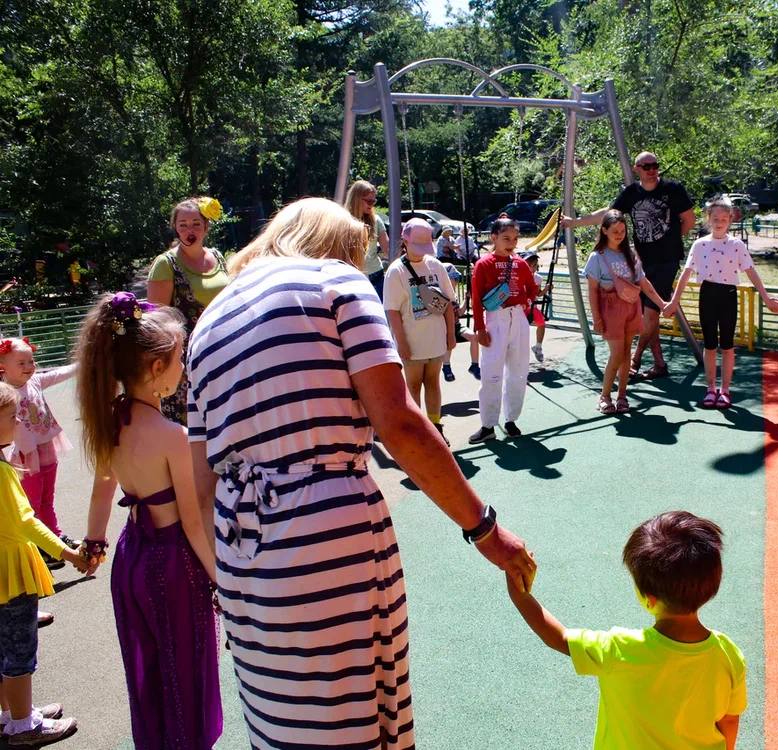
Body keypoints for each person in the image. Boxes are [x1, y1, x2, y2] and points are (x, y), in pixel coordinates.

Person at [187, 197, 535, 748]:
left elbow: (200, 480)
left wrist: (224, 578)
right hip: (327, 535)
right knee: (355, 711)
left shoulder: (208, 322)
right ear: (340, 246)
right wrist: (483, 527)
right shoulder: (336, 285)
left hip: (240, 554)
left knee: (281, 722)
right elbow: (397, 421)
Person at [74, 293, 220, 750]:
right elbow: (193, 525)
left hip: (129, 558)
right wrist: (221, 582)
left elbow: (102, 491)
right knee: (186, 672)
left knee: (149, 669)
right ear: (156, 370)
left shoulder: (109, 423)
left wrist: (93, 544)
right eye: (179, 359)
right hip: (173, 566)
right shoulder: (172, 437)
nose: (183, 368)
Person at [507, 510, 746, 750]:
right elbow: (730, 719)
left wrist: (519, 593)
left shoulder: (619, 648)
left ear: (649, 599)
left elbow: (558, 636)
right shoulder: (728, 654)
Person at [562, 152, 695, 380]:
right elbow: (609, 214)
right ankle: (660, 364)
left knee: (650, 315)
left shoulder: (673, 189)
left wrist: (671, 241)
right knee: (646, 314)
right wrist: (576, 223)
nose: (651, 170)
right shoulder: (632, 193)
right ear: (637, 169)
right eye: (646, 166)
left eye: (655, 165)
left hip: (666, 261)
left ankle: (635, 359)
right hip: (641, 261)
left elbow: (689, 219)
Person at [0, 381, 81, 747]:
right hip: (10, 574)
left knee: (3, 650)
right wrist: (68, 553)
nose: (19, 420)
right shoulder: (2, 472)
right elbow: (25, 522)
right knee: (19, 652)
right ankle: (22, 724)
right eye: (12, 415)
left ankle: (12, 714)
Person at [664, 197, 778, 409]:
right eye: (715, 218)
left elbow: (751, 272)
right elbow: (686, 273)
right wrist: (674, 301)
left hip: (727, 295)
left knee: (727, 346)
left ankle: (725, 390)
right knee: (709, 345)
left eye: (724, 219)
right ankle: (710, 389)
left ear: (730, 220)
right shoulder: (700, 245)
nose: (719, 222)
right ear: (708, 219)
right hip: (707, 294)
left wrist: (766, 297)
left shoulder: (736, 245)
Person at [146, 196, 231, 425]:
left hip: (221, 351)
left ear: (206, 226)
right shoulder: (165, 264)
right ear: (175, 228)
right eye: (182, 225)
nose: (189, 230)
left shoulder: (219, 257)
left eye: (195, 223)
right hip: (186, 361)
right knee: (191, 423)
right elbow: (157, 322)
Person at [583, 211, 669, 415]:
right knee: (617, 353)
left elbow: (644, 283)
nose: (619, 234)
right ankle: (605, 395)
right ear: (604, 231)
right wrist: (596, 318)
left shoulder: (630, 254)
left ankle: (622, 395)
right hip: (610, 309)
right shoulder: (597, 257)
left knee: (626, 353)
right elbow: (593, 291)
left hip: (631, 307)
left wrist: (661, 303)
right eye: (615, 231)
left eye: (622, 231)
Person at [383, 218, 458, 445]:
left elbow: (447, 303)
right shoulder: (395, 271)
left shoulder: (435, 265)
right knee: (413, 384)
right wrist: (401, 342)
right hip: (411, 339)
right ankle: (417, 430)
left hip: (435, 336)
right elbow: (392, 311)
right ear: (405, 241)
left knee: (433, 381)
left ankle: (435, 425)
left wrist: (451, 334)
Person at [0, 338, 77, 555]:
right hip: (26, 455)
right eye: (21, 363)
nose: (29, 367)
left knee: (47, 498)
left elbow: (59, 373)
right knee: (31, 502)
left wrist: (84, 362)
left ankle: (55, 535)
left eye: (31, 361)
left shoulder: (35, 382)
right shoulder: (4, 391)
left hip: (46, 449)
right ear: (3, 365)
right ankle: (37, 545)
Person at [468, 217, 540, 444]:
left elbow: (532, 287)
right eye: (506, 238)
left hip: (518, 318)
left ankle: (511, 420)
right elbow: (476, 299)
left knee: (518, 371)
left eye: (515, 238)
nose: (511, 243)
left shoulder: (519, 263)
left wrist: (527, 300)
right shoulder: (483, 264)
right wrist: (480, 328)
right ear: (494, 238)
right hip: (495, 319)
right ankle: (488, 424)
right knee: (491, 373)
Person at [343, 180, 390, 295]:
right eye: (369, 201)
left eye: (373, 201)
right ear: (356, 199)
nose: (372, 205)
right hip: (352, 276)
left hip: (376, 275)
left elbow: (388, 250)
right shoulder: (343, 221)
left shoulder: (376, 220)